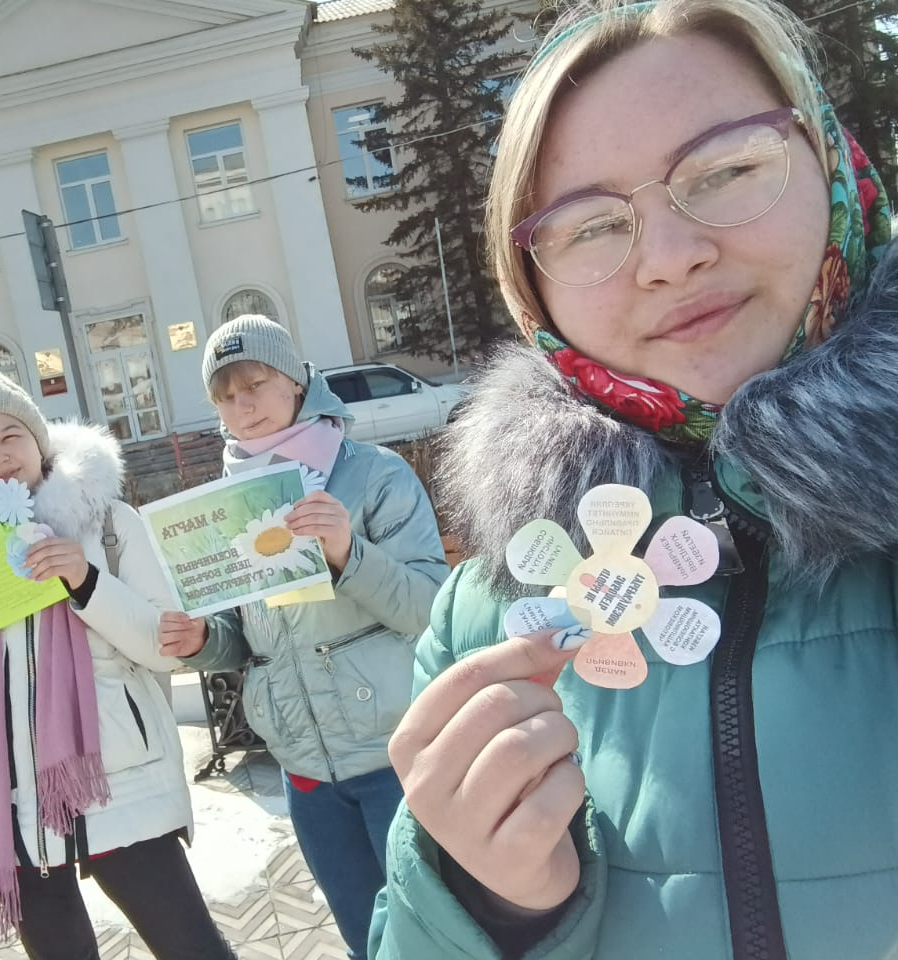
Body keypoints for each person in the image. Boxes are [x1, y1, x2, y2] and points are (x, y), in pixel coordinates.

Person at [369, 0, 897, 957]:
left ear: (829, 161)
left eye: (728, 170)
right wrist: (482, 908)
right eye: (588, 227)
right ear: (533, 290)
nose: (671, 259)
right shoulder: (491, 613)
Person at [159, 315, 449, 958]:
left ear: (295, 380)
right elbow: (244, 640)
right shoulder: (227, 504)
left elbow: (430, 607)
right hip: (305, 769)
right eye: (226, 396)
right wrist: (202, 639)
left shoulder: (373, 474)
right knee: (363, 936)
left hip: (394, 755)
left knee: (437, 933)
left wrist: (347, 553)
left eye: (255, 384)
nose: (243, 406)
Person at [0, 369, 234, 960]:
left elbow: (162, 645)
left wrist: (86, 581)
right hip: (19, 805)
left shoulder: (107, 522)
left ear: (39, 440)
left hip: (121, 781)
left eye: (10, 436)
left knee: (193, 949)